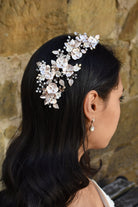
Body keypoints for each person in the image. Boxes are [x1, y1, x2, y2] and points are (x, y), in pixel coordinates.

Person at [0, 32, 124, 207]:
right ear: (92, 105)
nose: (120, 108)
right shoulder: (75, 198)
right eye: (120, 98)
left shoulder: (33, 181)